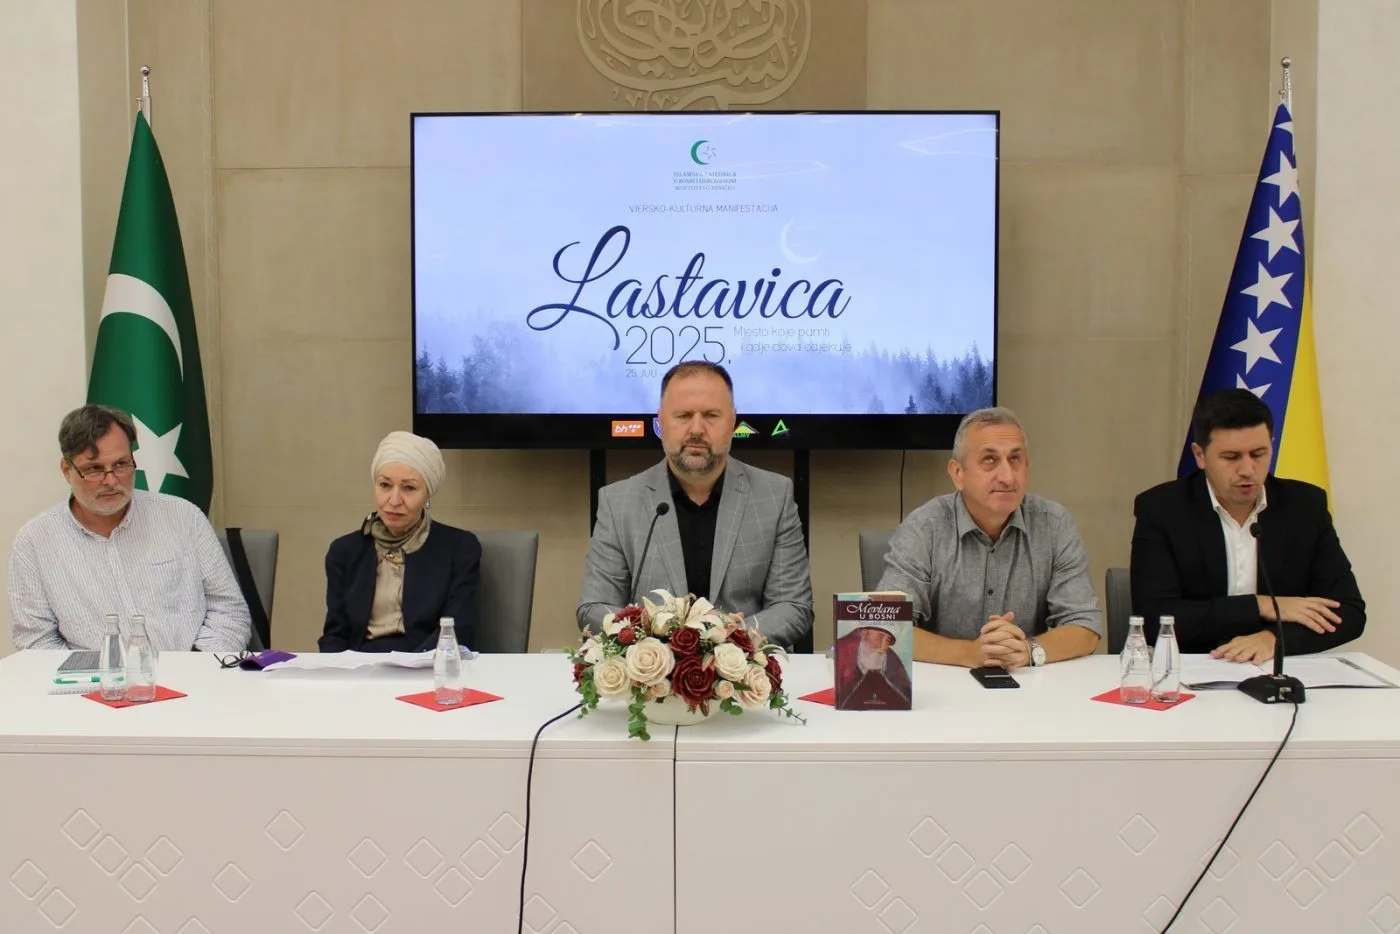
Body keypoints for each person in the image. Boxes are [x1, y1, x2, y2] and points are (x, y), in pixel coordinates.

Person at [577, 361, 814, 648]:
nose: (697, 429)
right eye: (683, 415)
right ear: (661, 422)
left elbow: (793, 606)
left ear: (732, 422)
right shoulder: (618, 502)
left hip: (744, 665)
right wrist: (656, 640)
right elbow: (594, 607)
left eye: (711, 415)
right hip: (653, 668)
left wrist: (729, 637)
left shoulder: (774, 496)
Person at [1131, 388, 1365, 663]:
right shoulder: (1162, 509)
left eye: (1258, 454)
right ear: (1200, 455)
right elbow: (1153, 619)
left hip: (1275, 668)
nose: (1247, 470)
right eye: (1231, 457)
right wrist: (1261, 606)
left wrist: (1274, 639)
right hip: (1194, 666)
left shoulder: (1305, 506)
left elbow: (1348, 612)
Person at [8, 404, 252, 652]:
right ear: (67, 470)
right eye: (94, 469)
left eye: (121, 464)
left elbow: (229, 611)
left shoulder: (183, 517)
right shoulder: (35, 541)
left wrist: (191, 666)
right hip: (90, 675)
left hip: (190, 670)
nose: (111, 480)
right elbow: (36, 641)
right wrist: (101, 674)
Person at [876, 407, 1102, 668]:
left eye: (1015, 459)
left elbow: (1085, 626)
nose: (1007, 476)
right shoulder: (925, 527)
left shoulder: (1054, 524)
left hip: (1025, 683)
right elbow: (885, 625)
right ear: (957, 473)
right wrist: (968, 653)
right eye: (989, 460)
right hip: (943, 682)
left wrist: (1028, 650)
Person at [319, 431, 481, 653]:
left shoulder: (459, 548)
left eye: (409, 488)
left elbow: (456, 630)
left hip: (427, 663)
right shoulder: (344, 551)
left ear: (427, 495)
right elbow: (335, 634)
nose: (394, 501)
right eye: (385, 485)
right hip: (359, 665)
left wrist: (410, 666)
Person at [833, 623, 912, 707]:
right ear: (865, 633)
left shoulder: (891, 656)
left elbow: (904, 692)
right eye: (880, 637)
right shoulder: (843, 648)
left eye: (887, 641)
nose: (882, 647)